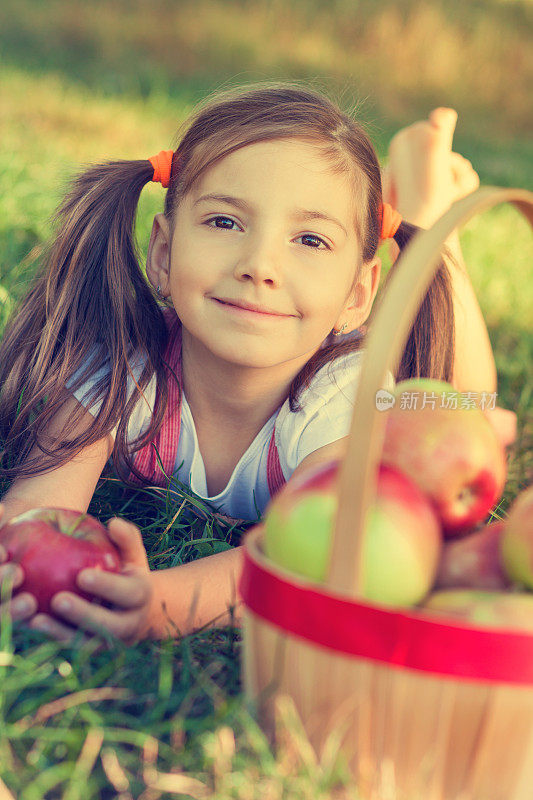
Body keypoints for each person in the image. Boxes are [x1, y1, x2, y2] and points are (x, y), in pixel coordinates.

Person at [0, 83, 500, 644]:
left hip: (396, 396)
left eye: (310, 239)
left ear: (358, 296)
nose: (259, 265)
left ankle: (436, 220)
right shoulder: (122, 367)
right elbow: (33, 511)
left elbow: (315, 557)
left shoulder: (341, 400)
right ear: (163, 254)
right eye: (225, 222)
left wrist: (163, 604)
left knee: (468, 397)